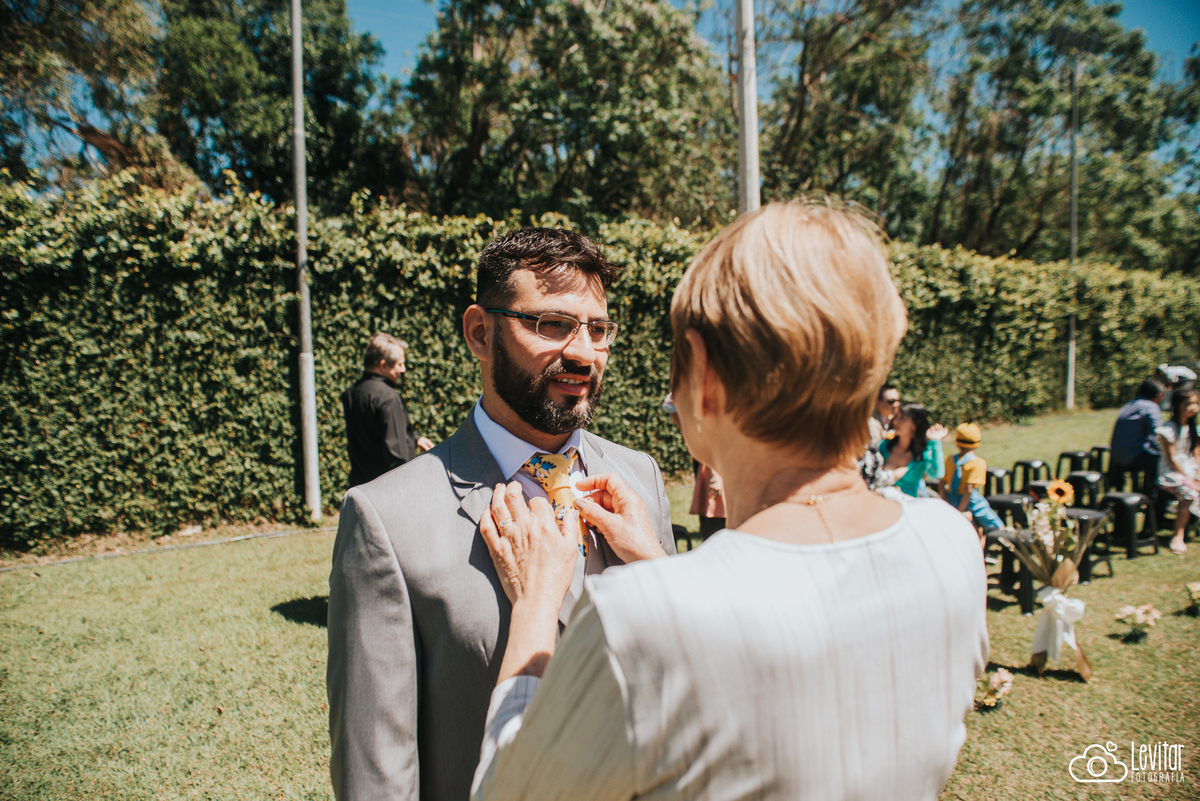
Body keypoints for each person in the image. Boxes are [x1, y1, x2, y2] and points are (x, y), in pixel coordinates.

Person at [470, 201, 989, 800]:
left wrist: (535, 603)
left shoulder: (633, 617)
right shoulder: (950, 543)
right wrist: (657, 565)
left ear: (706, 374)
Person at [326, 228, 677, 801]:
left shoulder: (643, 480)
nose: (584, 353)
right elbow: (377, 780)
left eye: (598, 329)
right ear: (480, 333)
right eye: (552, 324)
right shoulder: (385, 520)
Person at [340, 333, 435, 487]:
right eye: (399, 364)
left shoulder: (352, 393)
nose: (403, 369)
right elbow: (397, 455)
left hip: (361, 485)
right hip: (385, 488)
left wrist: (415, 438)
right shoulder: (388, 397)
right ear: (383, 365)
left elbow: (372, 430)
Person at [1156, 389, 1199, 556]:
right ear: (1177, 405)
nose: (1193, 407)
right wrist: (1190, 479)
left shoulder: (1193, 429)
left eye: (1195, 403)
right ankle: (1178, 534)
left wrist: (1198, 476)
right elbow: (1172, 459)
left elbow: (1196, 454)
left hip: (1190, 469)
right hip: (1171, 473)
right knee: (1189, 491)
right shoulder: (1168, 430)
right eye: (1188, 404)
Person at [940, 423, 1004, 534]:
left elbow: (942, 483)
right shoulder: (978, 463)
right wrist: (960, 511)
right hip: (971, 502)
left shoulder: (950, 460)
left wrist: (946, 504)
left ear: (957, 442)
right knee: (998, 527)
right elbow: (969, 489)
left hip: (951, 500)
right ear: (977, 442)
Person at [1108, 379, 1166, 495]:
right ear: (1159, 395)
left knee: (1155, 455)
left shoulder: (1131, 403)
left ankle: (1145, 492)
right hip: (1131, 456)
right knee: (1163, 460)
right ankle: (1153, 496)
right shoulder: (1150, 407)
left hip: (1116, 456)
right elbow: (1159, 434)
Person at [879, 401, 947, 498]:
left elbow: (937, 474)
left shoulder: (923, 453)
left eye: (902, 418)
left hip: (908, 507)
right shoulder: (883, 446)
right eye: (896, 417)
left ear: (916, 423)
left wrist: (935, 442)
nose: (895, 422)